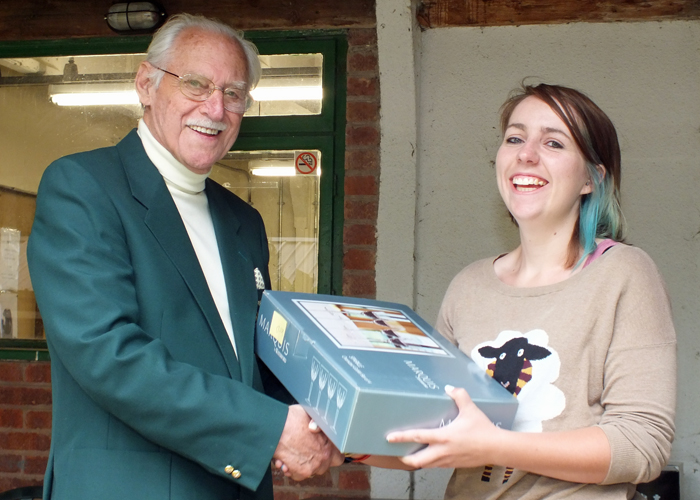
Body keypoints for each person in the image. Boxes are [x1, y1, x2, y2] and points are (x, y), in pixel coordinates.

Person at [27, 13, 342, 500]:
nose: (215, 108)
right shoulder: (83, 188)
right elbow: (109, 355)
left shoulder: (243, 220)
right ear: (146, 84)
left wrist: (337, 417)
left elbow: (253, 360)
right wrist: (273, 428)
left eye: (234, 93)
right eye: (195, 84)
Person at [379, 83, 677, 499]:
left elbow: (642, 445)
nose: (526, 153)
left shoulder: (625, 274)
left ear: (592, 179)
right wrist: (339, 443)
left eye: (553, 142)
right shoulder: (468, 286)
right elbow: (430, 430)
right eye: (515, 138)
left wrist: (495, 444)